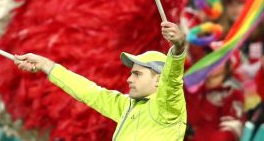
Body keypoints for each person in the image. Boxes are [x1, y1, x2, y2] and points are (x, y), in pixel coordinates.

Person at [15, 21, 187, 140]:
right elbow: (88, 91)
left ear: (158, 80)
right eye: (131, 73)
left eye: (137, 74)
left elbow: (172, 80)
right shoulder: (126, 105)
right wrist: (46, 65)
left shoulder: (167, 107)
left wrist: (178, 48)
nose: (128, 79)